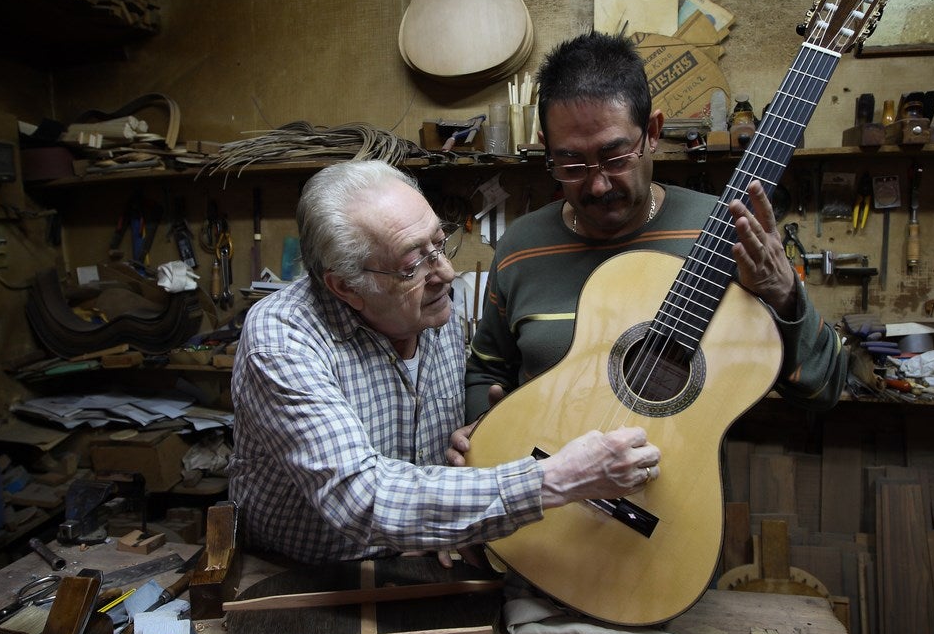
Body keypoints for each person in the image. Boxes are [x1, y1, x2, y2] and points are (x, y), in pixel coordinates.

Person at [228, 159, 662, 564]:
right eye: (412, 264)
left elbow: (434, 453)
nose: (446, 273)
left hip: (422, 564)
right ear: (345, 287)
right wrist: (557, 478)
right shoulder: (283, 339)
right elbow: (361, 499)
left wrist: (486, 439)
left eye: (439, 243)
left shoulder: (433, 308)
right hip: (301, 576)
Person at [463, 31, 847, 423]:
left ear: (652, 132)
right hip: (547, 474)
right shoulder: (520, 246)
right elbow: (485, 372)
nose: (598, 184)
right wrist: (482, 432)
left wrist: (784, 294)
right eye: (572, 164)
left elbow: (823, 390)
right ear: (546, 147)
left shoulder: (727, 234)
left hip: (678, 481)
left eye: (615, 157)